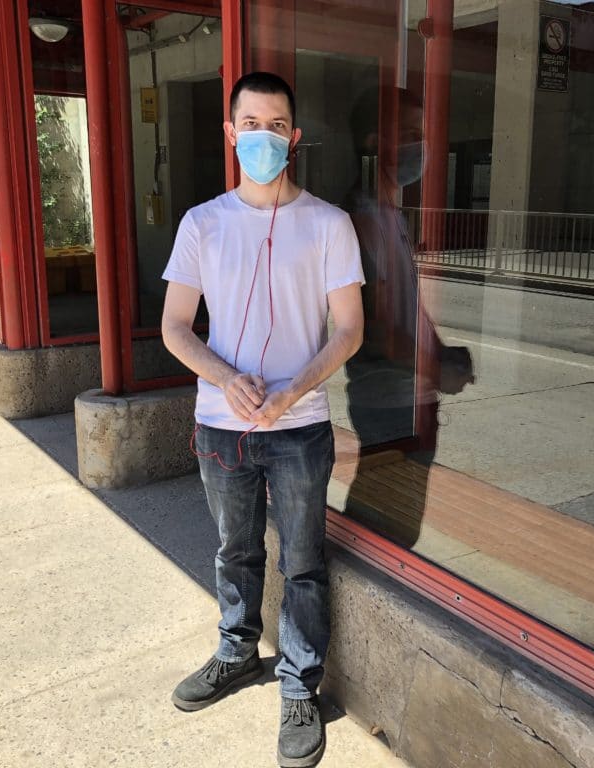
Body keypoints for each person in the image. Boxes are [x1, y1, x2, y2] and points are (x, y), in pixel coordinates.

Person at [160, 72, 364, 768]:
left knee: (303, 560)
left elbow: (348, 331)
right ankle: (235, 651)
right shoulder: (202, 224)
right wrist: (227, 379)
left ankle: (300, 685)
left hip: (300, 427)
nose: (263, 137)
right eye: (251, 123)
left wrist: (290, 391)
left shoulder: (330, 224)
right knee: (234, 551)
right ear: (230, 133)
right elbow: (176, 328)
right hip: (222, 425)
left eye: (276, 125)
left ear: (294, 137)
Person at [341, 86, 474, 548]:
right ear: (378, 142)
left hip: (410, 395)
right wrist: (434, 367)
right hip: (389, 401)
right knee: (388, 533)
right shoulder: (360, 222)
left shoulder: (391, 215)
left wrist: (439, 351)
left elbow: (409, 304)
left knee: (392, 522)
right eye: (412, 134)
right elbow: (375, 329)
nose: (424, 146)